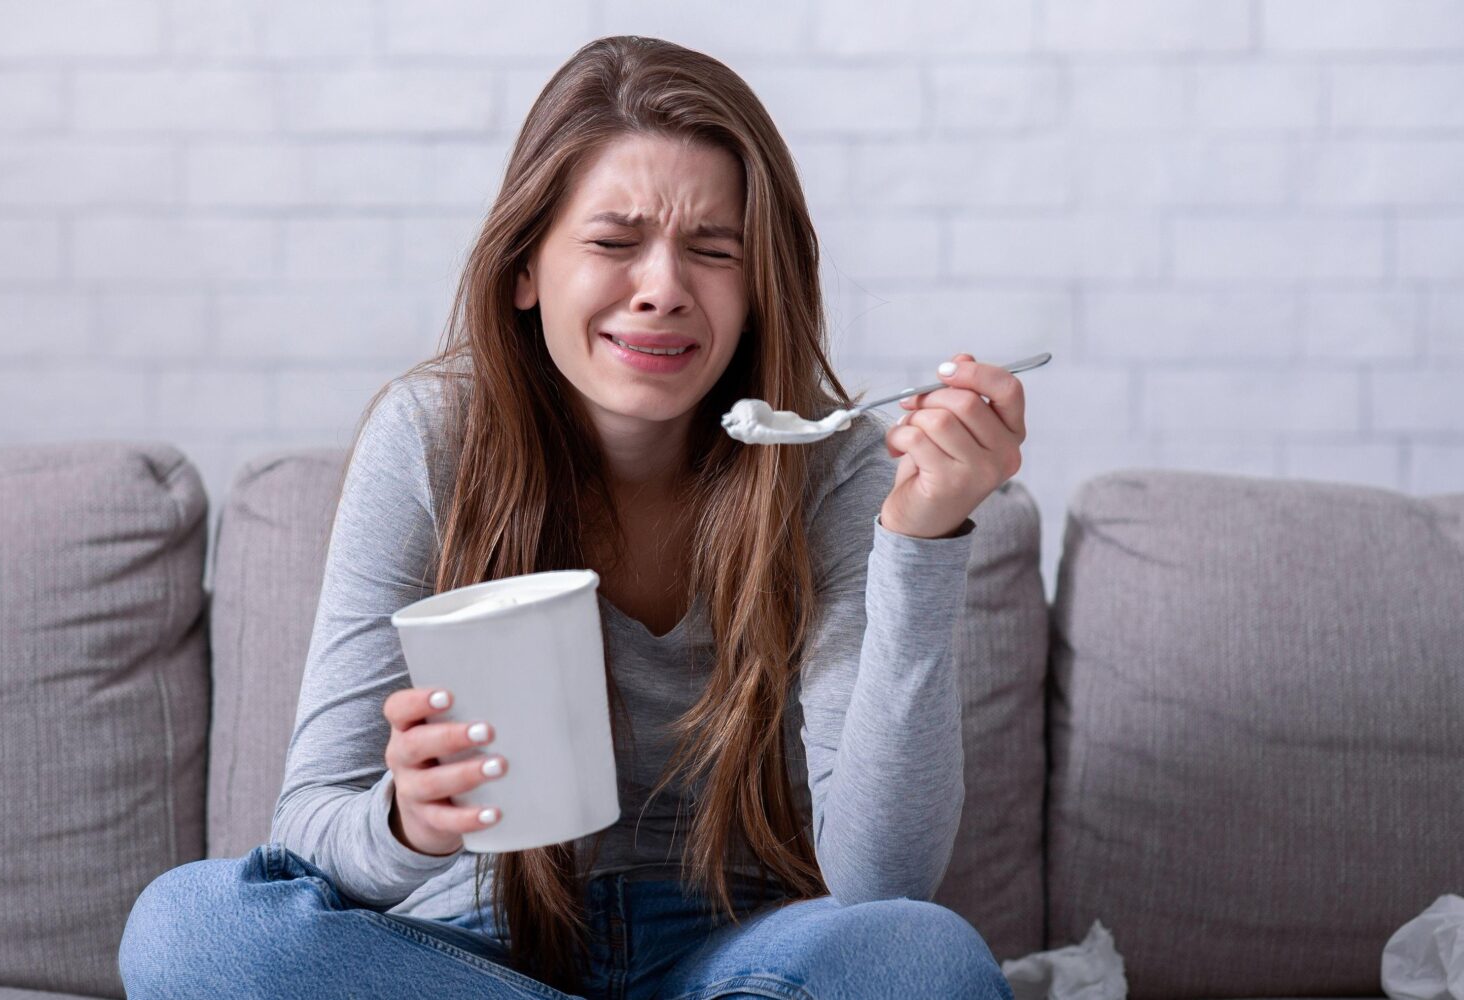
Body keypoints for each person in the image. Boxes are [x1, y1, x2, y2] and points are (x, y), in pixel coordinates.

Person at [120, 34, 1025, 1000]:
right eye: (612, 241)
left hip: (737, 944)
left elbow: (882, 882)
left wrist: (921, 541)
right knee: (188, 931)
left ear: (758, 285)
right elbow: (309, 823)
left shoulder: (830, 466)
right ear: (526, 268)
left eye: (713, 250)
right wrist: (409, 826)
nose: (663, 287)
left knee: (924, 958)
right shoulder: (431, 438)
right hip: (472, 945)